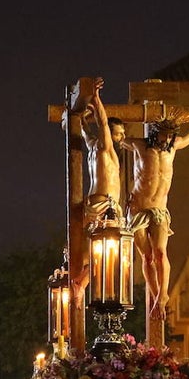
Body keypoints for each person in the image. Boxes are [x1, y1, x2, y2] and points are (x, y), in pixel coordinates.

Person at [125, 111, 189, 321]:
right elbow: (115, 139)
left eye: (169, 135)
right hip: (138, 209)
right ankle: (155, 294)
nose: (166, 139)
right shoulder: (139, 146)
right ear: (155, 133)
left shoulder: (174, 146)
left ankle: (162, 295)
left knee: (160, 253)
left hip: (159, 209)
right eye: (163, 135)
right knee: (146, 256)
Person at [73, 77, 127, 299]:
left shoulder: (93, 146)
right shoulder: (106, 148)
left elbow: (84, 129)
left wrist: (81, 118)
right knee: (105, 256)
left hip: (94, 202)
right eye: (119, 133)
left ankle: (79, 285)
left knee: (90, 252)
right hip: (106, 205)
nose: (121, 137)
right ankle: (82, 286)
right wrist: (96, 98)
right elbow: (103, 123)